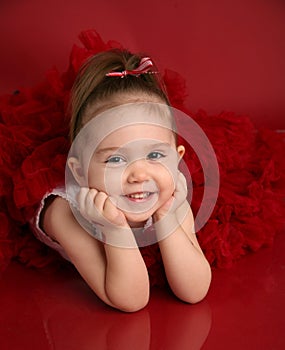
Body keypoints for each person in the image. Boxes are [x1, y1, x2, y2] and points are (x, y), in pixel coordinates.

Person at [36, 50, 211, 312]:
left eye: (154, 155)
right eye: (116, 160)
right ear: (80, 172)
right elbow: (131, 300)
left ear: (177, 160)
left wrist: (167, 220)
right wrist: (115, 228)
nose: (139, 175)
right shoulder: (65, 213)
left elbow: (194, 291)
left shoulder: (168, 197)